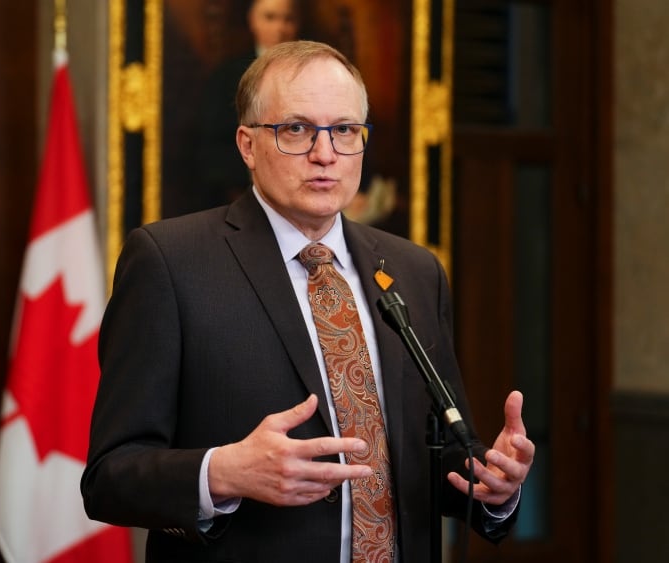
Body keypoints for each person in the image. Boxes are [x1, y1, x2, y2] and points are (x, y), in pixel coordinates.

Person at [82, 40, 534, 563]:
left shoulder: (413, 270)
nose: (325, 153)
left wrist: (496, 485)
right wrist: (224, 472)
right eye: (296, 129)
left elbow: (440, 459)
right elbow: (109, 476)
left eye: (344, 130)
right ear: (247, 145)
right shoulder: (170, 262)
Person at [194, 0, 300, 210]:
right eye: (270, 17)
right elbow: (211, 149)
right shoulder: (227, 76)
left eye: (288, 19)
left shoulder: (315, 73)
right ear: (252, 21)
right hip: (243, 193)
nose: (280, 28)